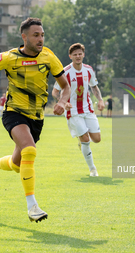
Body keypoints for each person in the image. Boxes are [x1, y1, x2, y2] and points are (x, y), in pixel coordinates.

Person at [0, 17, 70, 223]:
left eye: (42, 35)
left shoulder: (49, 57)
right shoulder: (9, 57)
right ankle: (32, 206)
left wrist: (62, 101)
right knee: (30, 150)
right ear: (24, 37)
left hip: (36, 118)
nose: (40, 39)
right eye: (36, 35)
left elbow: (66, 85)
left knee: (18, 164)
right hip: (14, 113)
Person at [52, 43, 105, 177]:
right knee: (86, 139)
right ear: (70, 56)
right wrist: (63, 103)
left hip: (88, 109)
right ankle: (92, 169)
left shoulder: (89, 70)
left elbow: (94, 87)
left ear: (83, 55)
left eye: (80, 54)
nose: (78, 56)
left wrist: (100, 100)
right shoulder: (65, 72)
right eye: (75, 54)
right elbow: (54, 91)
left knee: (97, 139)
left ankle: (82, 144)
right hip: (73, 111)